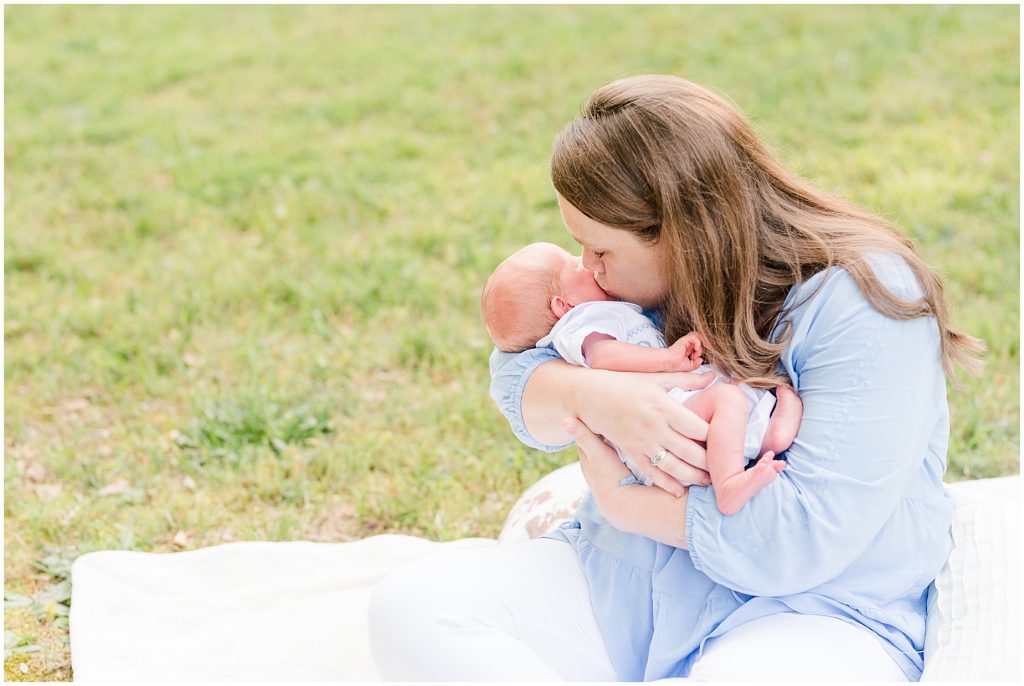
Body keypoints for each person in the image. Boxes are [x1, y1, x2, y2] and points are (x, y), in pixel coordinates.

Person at [368, 75, 984, 681]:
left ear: (686, 234)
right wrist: (597, 397)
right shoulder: (631, 298)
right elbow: (515, 371)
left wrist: (624, 504)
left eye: (600, 252)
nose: (585, 272)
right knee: (414, 608)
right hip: (628, 590)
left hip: (811, 610)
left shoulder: (863, 298)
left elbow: (800, 539)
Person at [480, 240, 802, 515]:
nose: (586, 262)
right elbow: (604, 357)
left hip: (677, 404)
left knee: (730, 390)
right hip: (664, 415)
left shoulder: (603, 310)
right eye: (575, 266)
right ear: (563, 306)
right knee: (727, 398)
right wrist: (666, 358)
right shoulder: (580, 324)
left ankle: (768, 438)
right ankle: (729, 484)